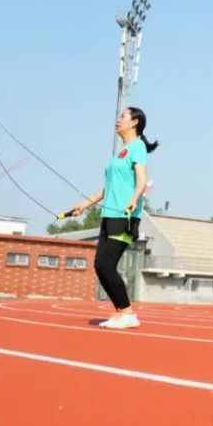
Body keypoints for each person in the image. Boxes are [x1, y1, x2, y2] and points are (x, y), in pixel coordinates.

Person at [69, 107, 158, 329]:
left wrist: (134, 199)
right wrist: (85, 204)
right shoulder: (120, 153)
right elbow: (108, 187)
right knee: (101, 265)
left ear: (135, 122)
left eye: (123, 117)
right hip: (109, 214)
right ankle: (120, 311)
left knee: (106, 265)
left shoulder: (137, 147)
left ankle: (128, 313)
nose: (118, 121)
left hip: (125, 216)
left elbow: (141, 179)